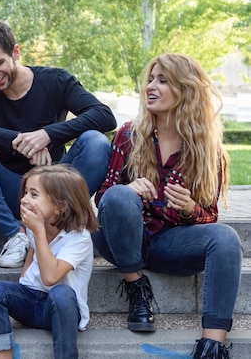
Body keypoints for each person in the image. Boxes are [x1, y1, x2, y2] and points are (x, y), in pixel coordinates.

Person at [91, 53, 242, 358]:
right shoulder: (129, 135)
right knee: (119, 196)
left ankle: (212, 346)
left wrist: (189, 208)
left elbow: (209, 216)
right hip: (120, 241)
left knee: (227, 238)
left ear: (185, 91)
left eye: (162, 80)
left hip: (169, 245)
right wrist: (128, 189)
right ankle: (137, 289)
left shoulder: (205, 150)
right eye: (150, 79)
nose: (151, 86)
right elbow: (103, 197)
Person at [0, 20, 116, 268]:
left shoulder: (55, 80)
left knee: (96, 142)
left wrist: (48, 135)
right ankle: (15, 236)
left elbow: (104, 116)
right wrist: (17, 140)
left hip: (57, 189)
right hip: (11, 190)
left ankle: (60, 227)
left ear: (15, 52)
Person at [0, 164, 97, 359]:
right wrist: (24, 278)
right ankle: (3, 355)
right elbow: (32, 251)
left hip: (61, 310)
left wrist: (39, 232)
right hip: (31, 301)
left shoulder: (79, 238)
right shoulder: (37, 224)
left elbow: (51, 277)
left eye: (34, 195)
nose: (24, 199)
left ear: (61, 206)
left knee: (61, 293)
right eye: (25, 192)